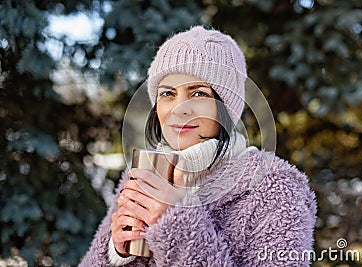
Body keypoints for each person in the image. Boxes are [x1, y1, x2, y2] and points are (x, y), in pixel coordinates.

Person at [79, 26, 317, 267]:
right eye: (168, 94)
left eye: (199, 93)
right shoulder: (144, 174)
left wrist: (176, 222)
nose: (179, 109)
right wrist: (117, 253)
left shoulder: (276, 188)